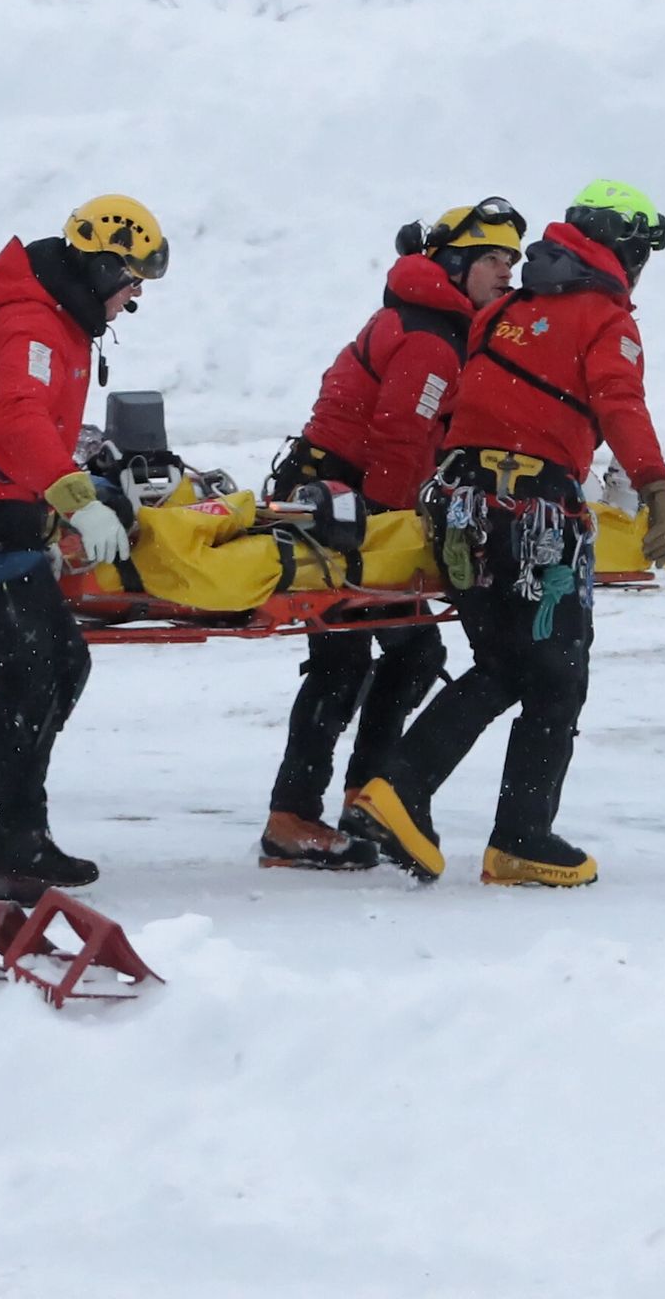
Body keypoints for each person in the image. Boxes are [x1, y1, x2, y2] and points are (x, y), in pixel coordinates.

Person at [340, 181, 665, 888]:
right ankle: (513, 834)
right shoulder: (605, 319)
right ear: (625, 250)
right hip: (532, 514)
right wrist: (657, 490)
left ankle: (405, 791)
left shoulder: (503, 308)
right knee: (559, 672)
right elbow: (620, 401)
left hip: (460, 502)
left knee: (506, 663)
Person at [0, 195, 167, 904]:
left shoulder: (58, 321)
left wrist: (80, 484)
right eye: (132, 281)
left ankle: (21, 835)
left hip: (3, 506)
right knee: (27, 676)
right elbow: (19, 415)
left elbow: (38, 426)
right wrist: (75, 498)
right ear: (100, 268)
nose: (134, 297)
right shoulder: (32, 326)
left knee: (62, 663)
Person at [259, 200, 525, 870]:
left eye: (513, 260)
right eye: (495, 259)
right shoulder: (432, 336)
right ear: (458, 264)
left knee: (384, 656)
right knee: (363, 656)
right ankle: (311, 813)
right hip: (346, 503)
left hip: (340, 495)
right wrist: (397, 530)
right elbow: (401, 440)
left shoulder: (435, 321)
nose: (507, 272)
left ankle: (359, 801)